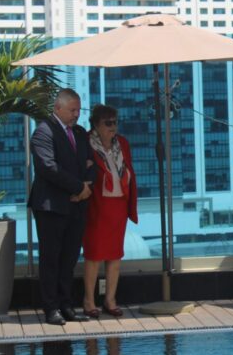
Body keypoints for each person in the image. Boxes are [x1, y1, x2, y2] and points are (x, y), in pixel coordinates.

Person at [29, 88, 94, 325]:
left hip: (77, 207)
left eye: (78, 110)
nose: (77, 114)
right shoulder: (43, 132)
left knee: (69, 258)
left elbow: (90, 163)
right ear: (58, 108)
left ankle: (66, 304)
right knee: (51, 258)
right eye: (72, 110)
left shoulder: (78, 133)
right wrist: (78, 188)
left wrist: (86, 186)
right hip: (51, 207)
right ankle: (51, 307)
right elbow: (49, 168)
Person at [82, 105, 137, 319]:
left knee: (115, 255)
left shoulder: (122, 143)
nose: (113, 127)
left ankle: (110, 300)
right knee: (94, 255)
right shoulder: (86, 143)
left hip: (118, 206)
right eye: (108, 123)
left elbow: (129, 170)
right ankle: (89, 301)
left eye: (115, 122)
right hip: (96, 205)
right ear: (96, 124)